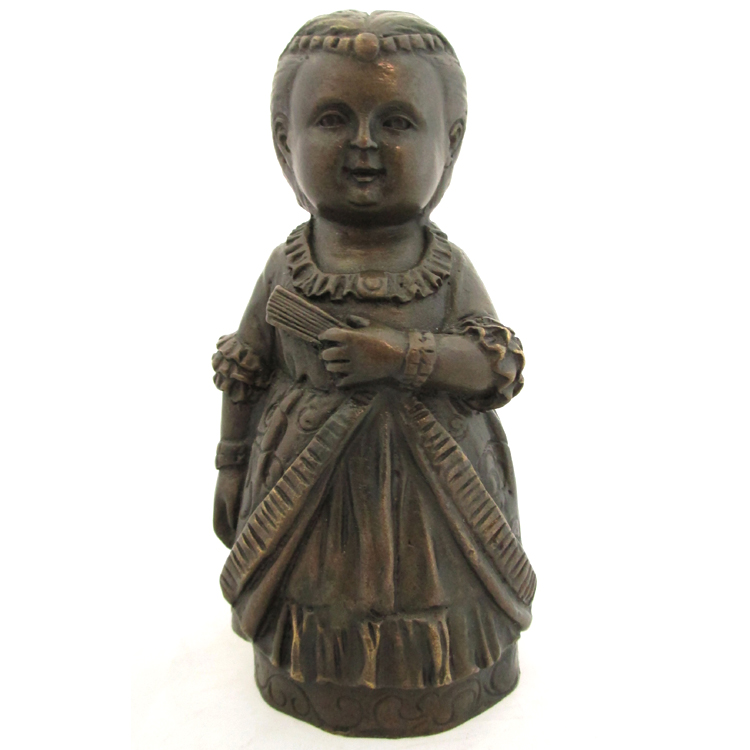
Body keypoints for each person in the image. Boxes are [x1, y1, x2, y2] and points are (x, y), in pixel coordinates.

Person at [211, 10, 536, 737]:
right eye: (332, 119)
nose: (364, 145)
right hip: (304, 489)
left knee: (430, 592)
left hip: (441, 488)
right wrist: (230, 466)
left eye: (397, 122)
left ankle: (451, 671)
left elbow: (498, 366)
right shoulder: (287, 267)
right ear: (283, 140)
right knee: (321, 590)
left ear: (450, 143)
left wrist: (406, 356)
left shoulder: (445, 270)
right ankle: (313, 671)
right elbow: (246, 369)